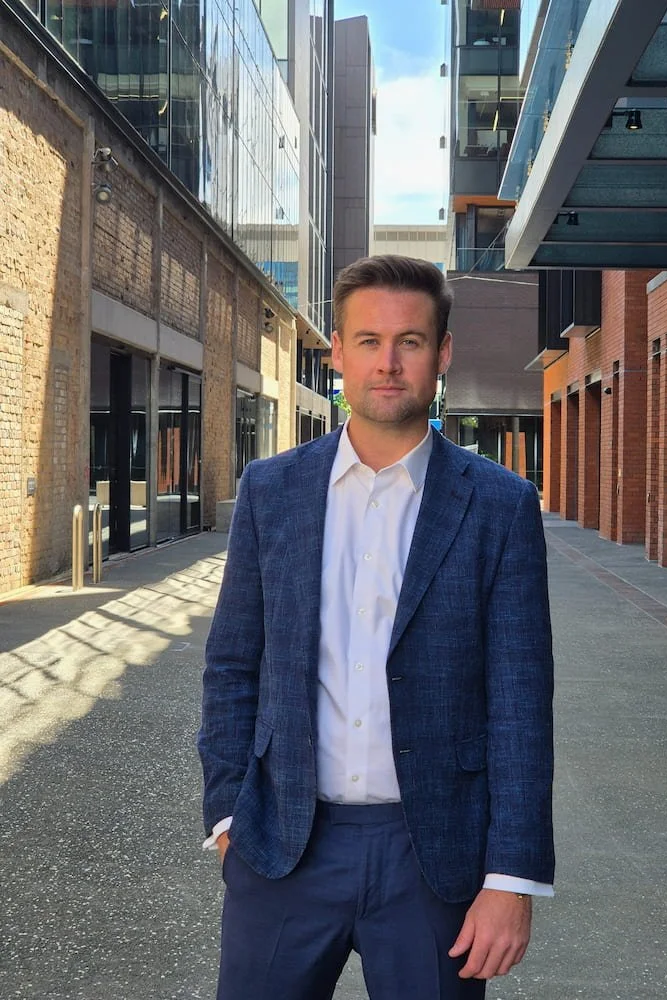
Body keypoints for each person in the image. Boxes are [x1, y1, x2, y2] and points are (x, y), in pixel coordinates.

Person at [198, 254, 554, 1000]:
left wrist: (511, 876)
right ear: (337, 352)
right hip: (283, 847)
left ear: (443, 353)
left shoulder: (500, 505)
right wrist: (229, 811)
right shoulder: (272, 490)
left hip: (435, 857)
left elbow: (520, 700)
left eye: (411, 342)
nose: (387, 363)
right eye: (368, 341)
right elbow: (234, 662)